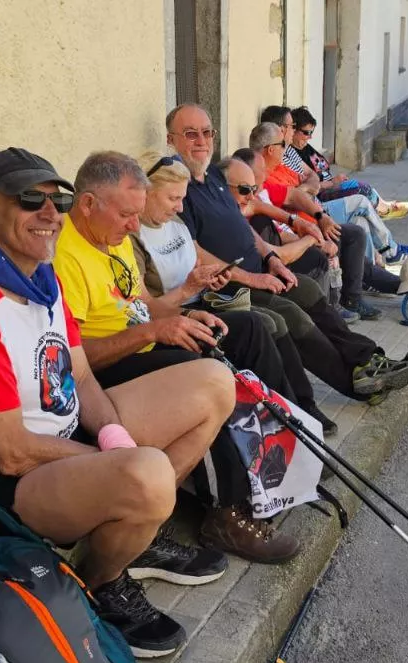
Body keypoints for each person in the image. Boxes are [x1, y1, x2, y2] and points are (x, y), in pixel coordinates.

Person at [0, 147, 230, 659]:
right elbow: (10, 452)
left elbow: (77, 372)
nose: (50, 214)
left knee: (213, 382)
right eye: (30, 200)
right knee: (150, 474)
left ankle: (130, 535)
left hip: (61, 440)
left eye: (57, 200)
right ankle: (100, 578)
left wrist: (114, 436)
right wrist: (121, 462)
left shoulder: (34, 271)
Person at [53, 150, 302, 565]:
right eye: (126, 216)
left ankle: (286, 438)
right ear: (88, 204)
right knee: (207, 374)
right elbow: (75, 361)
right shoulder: (65, 256)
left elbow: (144, 303)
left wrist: (184, 311)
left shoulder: (110, 237)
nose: (134, 226)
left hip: (143, 342)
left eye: (137, 215)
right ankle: (225, 511)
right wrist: (154, 330)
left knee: (247, 329)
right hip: (108, 373)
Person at [167, 103, 408, 404]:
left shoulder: (212, 175)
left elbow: (243, 220)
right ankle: (354, 386)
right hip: (228, 286)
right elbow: (194, 253)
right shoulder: (176, 188)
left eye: (207, 132)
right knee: (292, 315)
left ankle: (368, 361)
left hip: (260, 270)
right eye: (190, 134)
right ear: (171, 139)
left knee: (308, 287)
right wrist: (255, 275)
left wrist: (271, 258)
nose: (202, 140)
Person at [128, 150, 339, 436]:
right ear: (146, 193)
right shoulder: (133, 237)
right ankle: (288, 420)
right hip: (179, 314)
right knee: (262, 324)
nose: (180, 208)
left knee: (278, 318)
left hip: (203, 299)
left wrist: (215, 275)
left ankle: (299, 409)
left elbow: (198, 258)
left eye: (182, 198)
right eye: (173, 198)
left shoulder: (173, 222)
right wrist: (191, 288)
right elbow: (148, 309)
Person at [247, 123, 396, 320]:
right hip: (295, 241)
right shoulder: (261, 183)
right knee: (354, 217)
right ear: (270, 149)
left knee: (355, 232)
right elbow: (278, 235)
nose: (287, 145)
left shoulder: (277, 170)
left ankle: (357, 296)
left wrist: (320, 218)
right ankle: (333, 308)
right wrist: (313, 236)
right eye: (283, 143)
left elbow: (304, 187)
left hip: (311, 224)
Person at [288, 106, 408, 219]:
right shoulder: (291, 154)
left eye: (311, 132)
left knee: (360, 187)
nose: (310, 137)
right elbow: (307, 185)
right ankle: (384, 210)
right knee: (360, 189)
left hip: (331, 185)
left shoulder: (305, 147)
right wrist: (332, 182)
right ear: (293, 130)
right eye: (306, 133)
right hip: (321, 194)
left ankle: (384, 206)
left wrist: (335, 180)